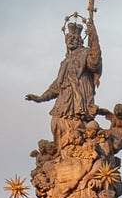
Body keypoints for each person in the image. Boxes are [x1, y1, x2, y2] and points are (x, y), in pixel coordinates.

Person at [25, 15, 102, 146]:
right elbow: (56, 85)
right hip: (64, 98)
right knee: (57, 122)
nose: (71, 40)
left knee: (77, 125)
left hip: (79, 98)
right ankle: (62, 153)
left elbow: (95, 62)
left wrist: (93, 37)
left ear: (80, 41)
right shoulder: (65, 62)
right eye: (69, 38)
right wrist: (41, 98)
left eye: (74, 38)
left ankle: (75, 150)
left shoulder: (85, 53)